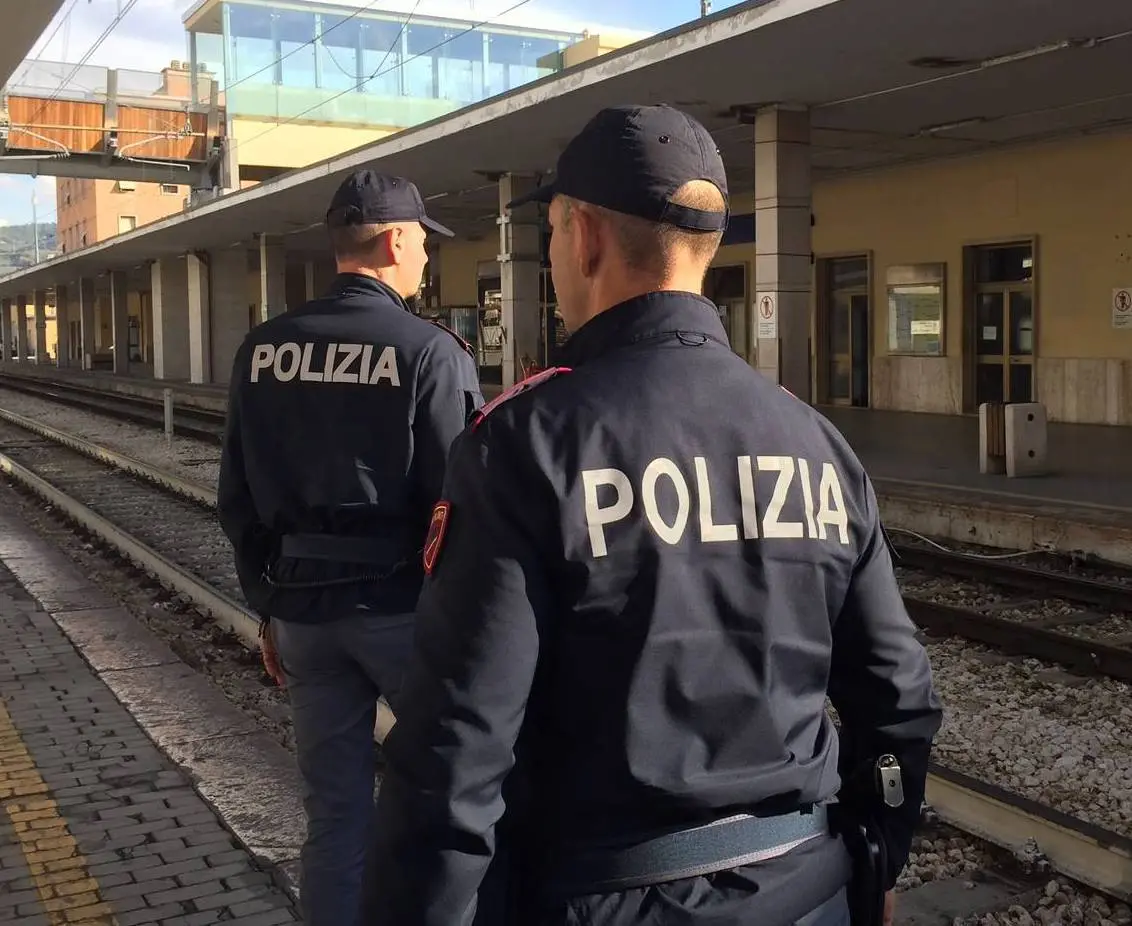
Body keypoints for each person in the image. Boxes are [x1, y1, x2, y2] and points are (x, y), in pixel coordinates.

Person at [365, 104, 943, 926]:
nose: (557, 256)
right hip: (806, 890)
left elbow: (456, 751)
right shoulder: (814, 441)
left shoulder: (525, 446)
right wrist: (876, 860)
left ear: (587, 235)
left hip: (602, 898)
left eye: (556, 232)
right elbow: (897, 694)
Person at [217, 168, 484, 926]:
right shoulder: (429, 353)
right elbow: (458, 505)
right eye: (424, 243)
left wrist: (268, 609)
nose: (427, 258)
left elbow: (235, 499)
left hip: (302, 614)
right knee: (455, 793)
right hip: (401, 615)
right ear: (397, 239)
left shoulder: (263, 349)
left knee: (334, 815)